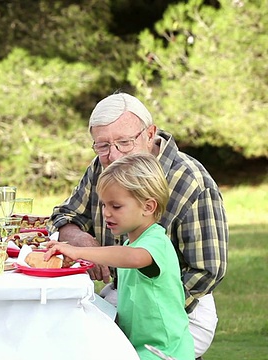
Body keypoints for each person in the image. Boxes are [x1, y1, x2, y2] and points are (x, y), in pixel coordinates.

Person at [47, 92, 227, 358]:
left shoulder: (191, 181)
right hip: (128, 294)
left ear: (150, 133)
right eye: (103, 145)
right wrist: (79, 239)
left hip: (181, 310)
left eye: (124, 142)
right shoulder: (102, 167)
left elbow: (208, 270)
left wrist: (156, 308)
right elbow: (67, 215)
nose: (113, 155)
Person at [45, 153, 194, 359]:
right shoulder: (130, 243)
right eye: (104, 205)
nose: (106, 213)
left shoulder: (155, 243)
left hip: (163, 352)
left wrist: (77, 250)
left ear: (148, 207)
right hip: (136, 347)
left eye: (116, 206)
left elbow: (131, 257)